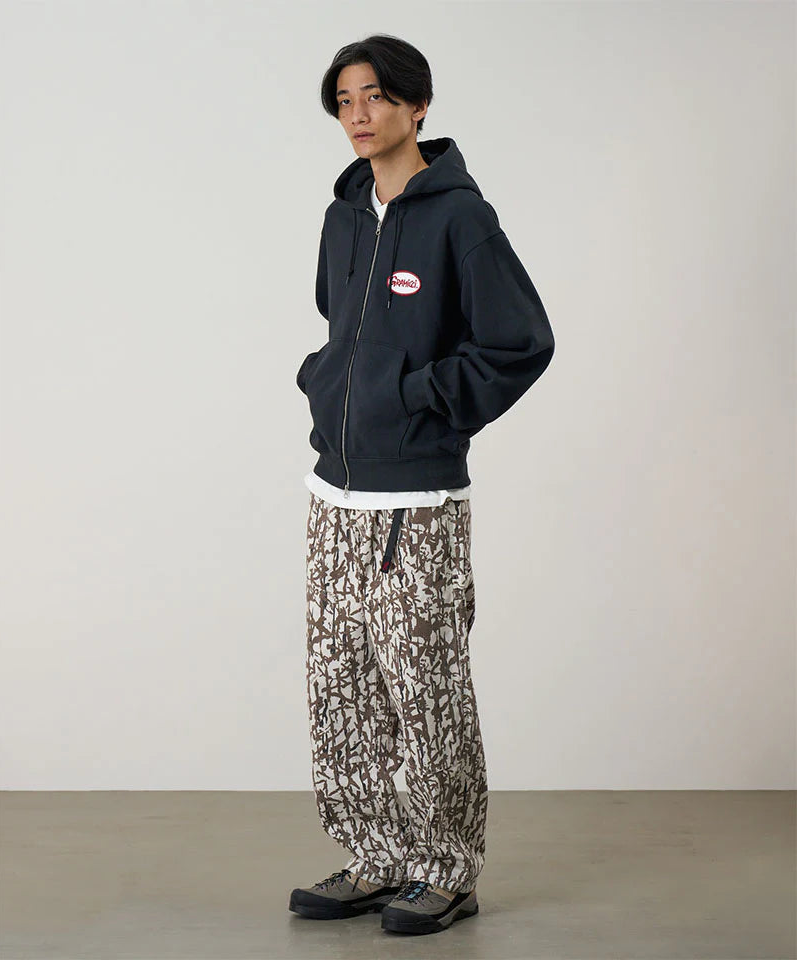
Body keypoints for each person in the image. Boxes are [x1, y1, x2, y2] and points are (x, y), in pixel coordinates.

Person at [288, 34, 555, 936]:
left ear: (417, 104)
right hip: (335, 495)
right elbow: (342, 330)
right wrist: (329, 384)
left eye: (373, 97)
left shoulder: (460, 219)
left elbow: (519, 343)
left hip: (418, 502)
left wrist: (415, 398)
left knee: (425, 688)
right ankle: (375, 855)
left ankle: (445, 871)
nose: (357, 116)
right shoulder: (342, 217)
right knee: (342, 688)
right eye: (344, 102)